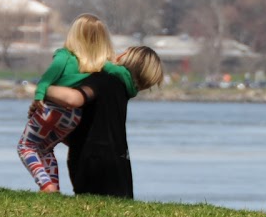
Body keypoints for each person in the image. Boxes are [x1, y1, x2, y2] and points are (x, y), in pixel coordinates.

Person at [16, 14, 134, 193]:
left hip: (52, 109)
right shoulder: (103, 66)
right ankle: (52, 186)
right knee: (46, 147)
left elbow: (48, 77)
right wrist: (131, 89)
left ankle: (47, 185)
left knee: (27, 146)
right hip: (73, 116)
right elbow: (125, 76)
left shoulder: (64, 56)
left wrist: (39, 95)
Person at [45, 45, 164, 198]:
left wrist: (42, 89)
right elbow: (95, 130)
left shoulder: (105, 80)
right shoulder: (122, 90)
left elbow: (74, 98)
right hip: (119, 170)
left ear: (125, 57)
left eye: (124, 51)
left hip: (94, 167)